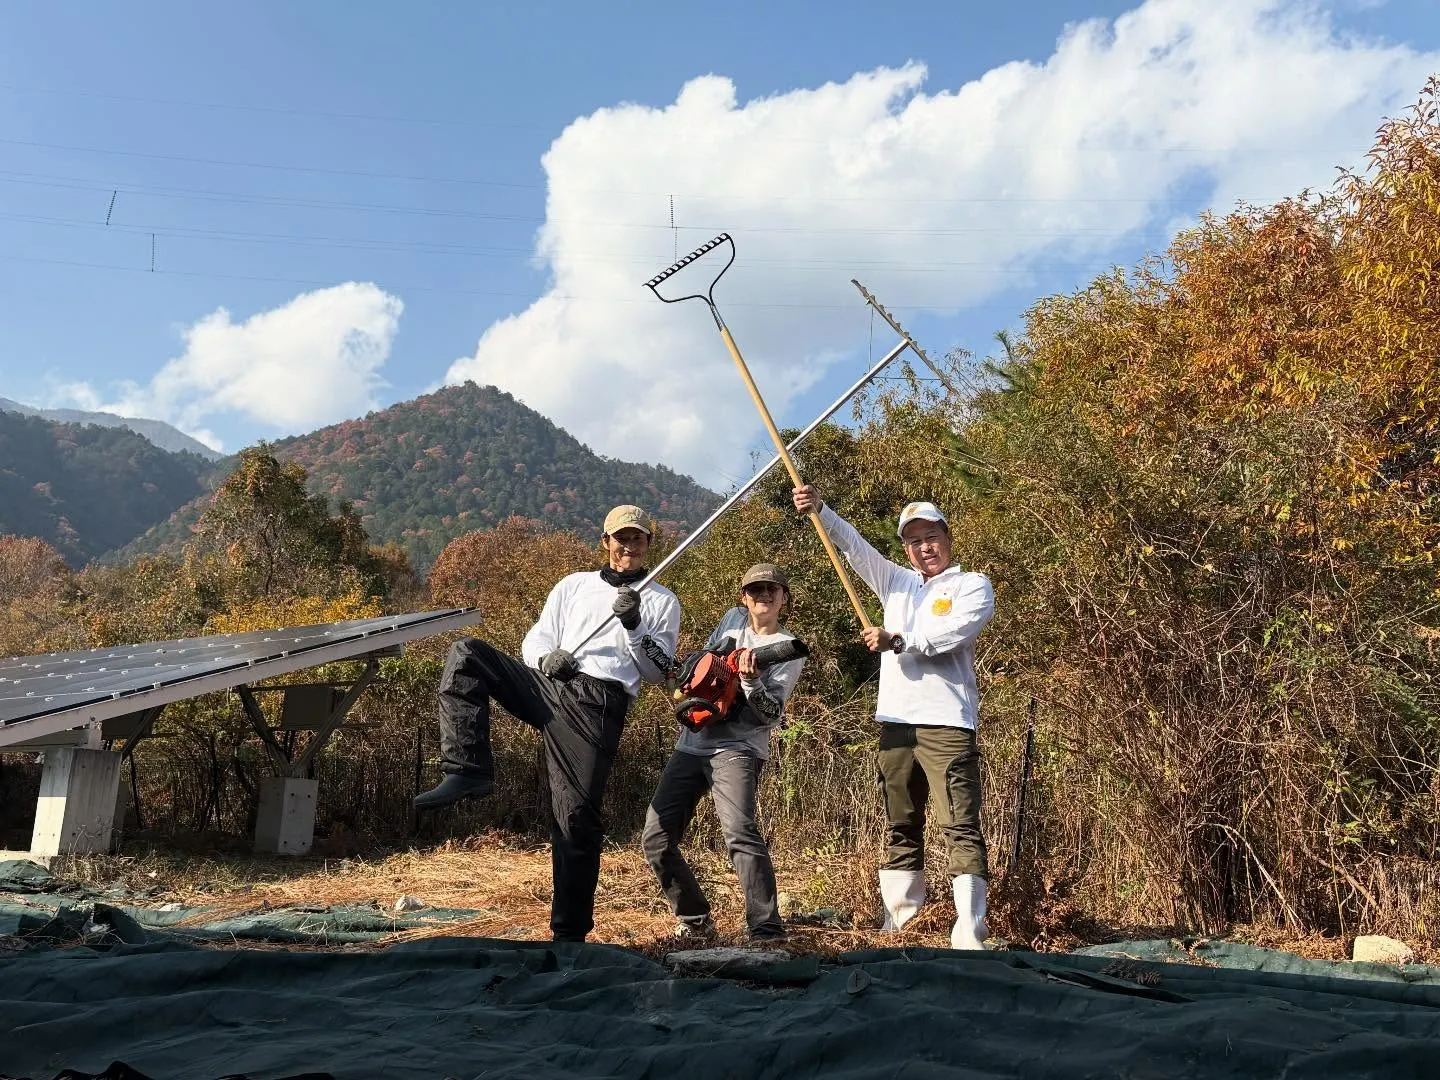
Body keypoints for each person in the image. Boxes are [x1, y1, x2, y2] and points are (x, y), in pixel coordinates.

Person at [414, 505, 681, 943]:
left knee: (574, 817)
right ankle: (466, 770)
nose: (628, 545)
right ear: (605, 541)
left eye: (637, 538)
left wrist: (634, 624)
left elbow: (657, 670)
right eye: (620, 538)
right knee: (468, 654)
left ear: (649, 544)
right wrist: (544, 658)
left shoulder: (661, 601)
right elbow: (536, 637)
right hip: (550, 682)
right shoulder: (573, 586)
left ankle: (569, 934)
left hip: (597, 704)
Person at [792, 484, 995, 950]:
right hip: (896, 722)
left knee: (959, 823)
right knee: (900, 821)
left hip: (947, 723)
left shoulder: (972, 586)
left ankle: (969, 930)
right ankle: (901, 922)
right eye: (914, 540)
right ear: (906, 547)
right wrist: (820, 509)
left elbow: (951, 635)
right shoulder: (896, 582)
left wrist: (898, 641)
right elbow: (853, 547)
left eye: (931, 536)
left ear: (947, 537)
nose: (925, 547)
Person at [642, 563, 806, 943]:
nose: (763, 596)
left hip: (739, 747)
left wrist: (748, 680)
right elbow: (711, 661)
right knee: (656, 835)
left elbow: (772, 714)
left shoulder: (789, 649)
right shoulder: (733, 619)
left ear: (784, 598)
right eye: (755, 590)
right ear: (743, 597)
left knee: (739, 833)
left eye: (771, 589)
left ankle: (766, 929)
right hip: (693, 742)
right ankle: (695, 917)